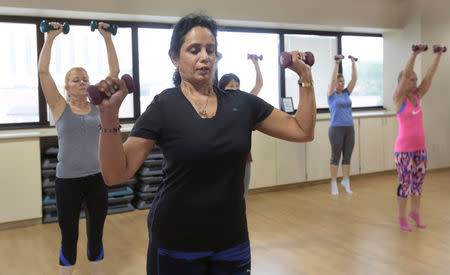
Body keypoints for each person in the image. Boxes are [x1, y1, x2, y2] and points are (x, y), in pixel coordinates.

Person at [95, 13, 316, 275]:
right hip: (176, 242)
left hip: (231, 240)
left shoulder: (242, 104)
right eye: (194, 50)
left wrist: (304, 77)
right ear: (175, 58)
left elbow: (302, 130)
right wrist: (108, 114)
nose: (205, 57)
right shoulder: (164, 106)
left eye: (210, 50)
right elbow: (115, 173)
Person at [38, 21, 119, 275]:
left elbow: (115, 73)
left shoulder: (97, 106)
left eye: (85, 78)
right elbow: (43, 72)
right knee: (69, 237)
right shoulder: (60, 107)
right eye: (76, 79)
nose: (82, 82)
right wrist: (50, 38)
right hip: (67, 182)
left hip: (97, 178)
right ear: (66, 86)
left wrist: (107, 37)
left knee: (96, 235)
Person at [393, 44, 444, 231]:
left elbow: (429, 77)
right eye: (411, 80)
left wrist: (438, 56)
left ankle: (415, 213)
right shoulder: (398, 98)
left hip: (420, 149)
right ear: (402, 82)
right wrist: (414, 54)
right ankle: (402, 218)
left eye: (415, 80)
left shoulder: (417, 96)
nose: (414, 82)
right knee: (405, 185)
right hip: (404, 151)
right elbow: (405, 74)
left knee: (418, 184)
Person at [218, 54, 263, 198]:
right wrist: (215, 60)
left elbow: (259, 85)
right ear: (222, 88)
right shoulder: (217, 104)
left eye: (237, 86)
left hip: (244, 157)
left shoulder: (245, 103)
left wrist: (256, 63)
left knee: (242, 194)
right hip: (223, 157)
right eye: (231, 86)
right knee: (224, 195)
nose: (235, 89)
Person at [327, 54, 358, 195]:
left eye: (343, 81)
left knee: (347, 156)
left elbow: (354, 79)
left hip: (349, 128)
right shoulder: (331, 95)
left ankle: (346, 180)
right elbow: (333, 78)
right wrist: (336, 64)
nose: (342, 83)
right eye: (339, 81)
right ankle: (334, 182)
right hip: (336, 129)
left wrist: (353, 63)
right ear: (335, 83)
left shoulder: (346, 93)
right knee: (335, 156)